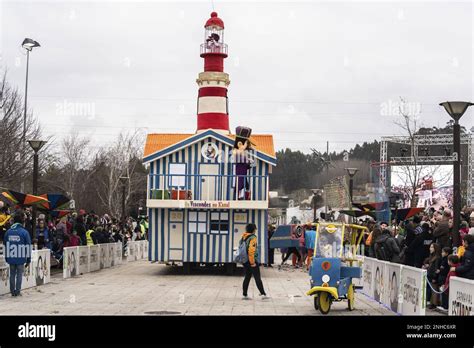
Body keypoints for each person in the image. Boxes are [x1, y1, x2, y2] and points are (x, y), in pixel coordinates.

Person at [4, 210, 32, 297]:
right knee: (19, 274)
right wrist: (28, 259)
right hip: (21, 257)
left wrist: (6, 257)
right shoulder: (24, 232)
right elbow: (28, 246)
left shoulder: (8, 232)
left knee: (12, 274)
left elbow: (5, 245)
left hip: (11, 257)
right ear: (22, 221)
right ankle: (18, 291)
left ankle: (12, 292)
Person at [241, 223, 268, 300]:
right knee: (257, 277)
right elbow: (251, 250)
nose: (256, 230)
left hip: (245, 260)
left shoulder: (244, 236)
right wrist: (252, 262)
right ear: (253, 230)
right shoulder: (253, 237)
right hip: (251, 260)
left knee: (247, 277)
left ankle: (245, 295)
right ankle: (263, 294)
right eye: (255, 229)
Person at [423, 243, 441, 309]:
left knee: (434, 290)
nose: (430, 248)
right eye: (430, 247)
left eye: (432, 247)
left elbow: (436, 268)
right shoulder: (431, 257)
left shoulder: (437, 258)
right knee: (431, 289)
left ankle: (434, 303)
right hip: (429, 275)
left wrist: (435, 277)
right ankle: (432, 302)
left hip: (433, 276)